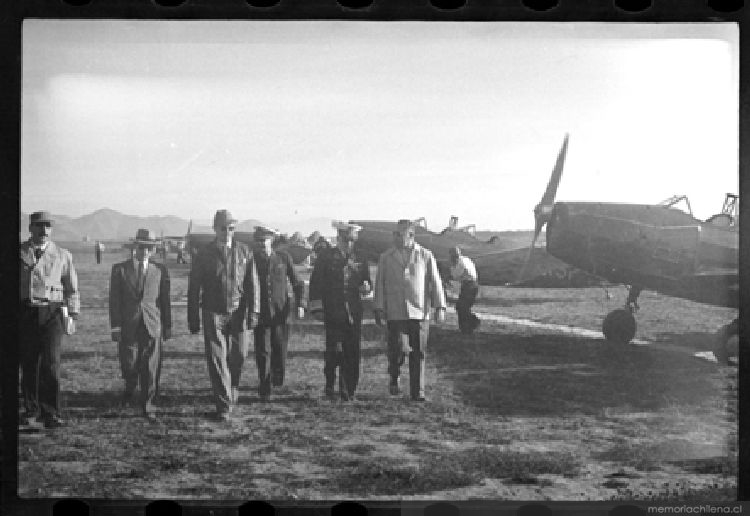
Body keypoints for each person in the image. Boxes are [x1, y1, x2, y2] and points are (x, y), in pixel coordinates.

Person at [187, 210, 259, 420]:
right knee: (217, 358)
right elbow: (194, 287)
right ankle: (223, 405)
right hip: (213, 312)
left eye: (231, 228)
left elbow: (253, 284)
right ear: (215, 229)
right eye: (223, 228)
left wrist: (254, 311)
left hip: (239, 312)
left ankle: (231, 385)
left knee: (239, 354)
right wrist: (193, 317)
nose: (227, 232)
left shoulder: (245, 252)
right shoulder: (204, 254)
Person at [373, 219, 446, 402]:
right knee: (397, 349)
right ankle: (394, 376)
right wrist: (379, 308)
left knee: (418, 352)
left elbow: (435, 282)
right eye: (394, 234)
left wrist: (440, 306)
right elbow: (379, 284)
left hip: (419, 311)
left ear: (411, 235)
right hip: (395, 311)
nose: (396, 237)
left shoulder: (425, 255)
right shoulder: (386, 257)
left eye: (400, 234)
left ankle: (417, 391)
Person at [19, 211, 80, 428]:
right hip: (25, 313)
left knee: (51, 363)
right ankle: (30, 410)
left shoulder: (63, 255)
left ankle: (51, 412)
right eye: (39, 226)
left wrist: (72, 314)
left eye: (48, 227)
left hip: (52, 312)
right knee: (29, 363)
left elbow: (72, 289)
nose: (44, 231)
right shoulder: (19, 252)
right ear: (30, 228)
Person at [108, 229, 172, 420]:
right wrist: (115, 326)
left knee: (151, 366)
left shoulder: (159, 271)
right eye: (142, 247)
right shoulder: (119, 269)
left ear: (153, 250)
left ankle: (148, 404)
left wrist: (167, 325)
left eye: (149, 248)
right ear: (134, 247)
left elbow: (165, 301)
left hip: (152, 324)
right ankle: (130, 386)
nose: (145, 251)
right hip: (128, 324)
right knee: (129, 363)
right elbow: (114, 300)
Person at [308, 221, 371, 401]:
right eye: (345, 239)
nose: (349, 243)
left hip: (353, 312)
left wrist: (366, 287)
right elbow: (316, 284)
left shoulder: (360, 258)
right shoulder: (326, 257)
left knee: (352, 351)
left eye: (352, 240)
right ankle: (330, 382)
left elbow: (366, 282)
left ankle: (348, 389)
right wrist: (317, 308)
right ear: (338, 238)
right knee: (334, 351)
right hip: (333, 311)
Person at [252, 226, 305, 402]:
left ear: (271, 241)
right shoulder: (251, 261)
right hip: (261, 314)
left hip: (281, 313)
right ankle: (264, 386)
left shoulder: (283, 258)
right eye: (258, 241)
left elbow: (297, 283)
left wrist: (300, 304)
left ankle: (277, 378)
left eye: (264, 241)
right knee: (262, 351)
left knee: (279, 350)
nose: (260, 244)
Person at [449, 246, 480, 334]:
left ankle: (470, 325)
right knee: (462, 307)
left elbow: (456, 275)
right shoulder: (466, 259)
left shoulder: (460, 262)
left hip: (469, 285)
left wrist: (451, 268)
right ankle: (468, 326)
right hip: (470, 285)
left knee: (462, 307)